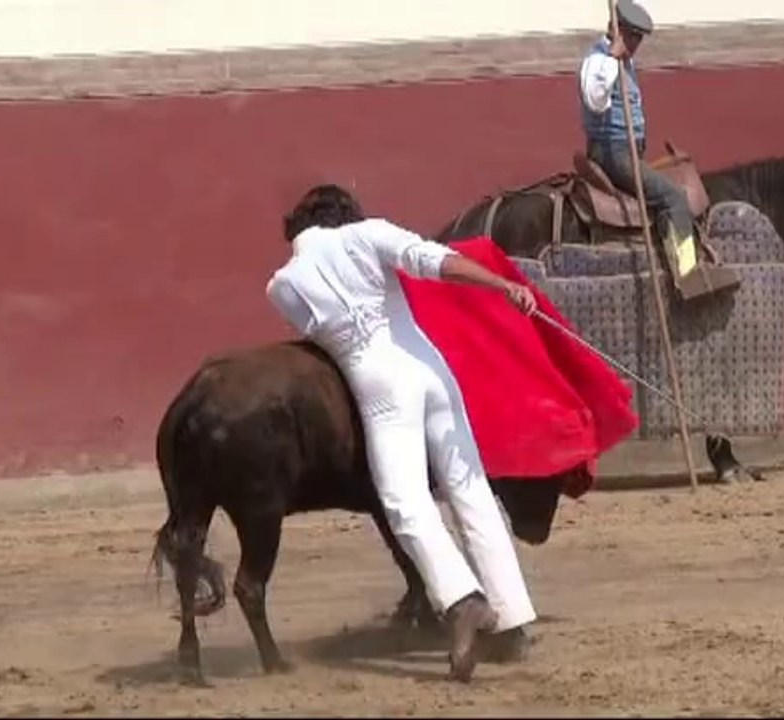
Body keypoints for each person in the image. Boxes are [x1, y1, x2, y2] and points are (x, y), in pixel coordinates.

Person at [264, 184, 539, 682]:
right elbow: (437, 261)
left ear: (299, 228)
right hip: (433, 371)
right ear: (344, 216)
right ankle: (513, 616)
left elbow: (320, 343)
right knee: (469, 489)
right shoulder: (371, 233)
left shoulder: (284, 283)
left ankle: (461, 599)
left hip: (380, 387)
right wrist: (504, 287)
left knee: (405, 501)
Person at [577, 0, 737, 297]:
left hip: (628, 151)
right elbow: (595, 100)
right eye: (631, 35)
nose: (636, 43)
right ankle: (687, 273)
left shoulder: (625, 61)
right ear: (615, 29)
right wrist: (613, 59)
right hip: (613, 152)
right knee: (673, 198)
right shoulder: (598, 60)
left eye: (639, 37)